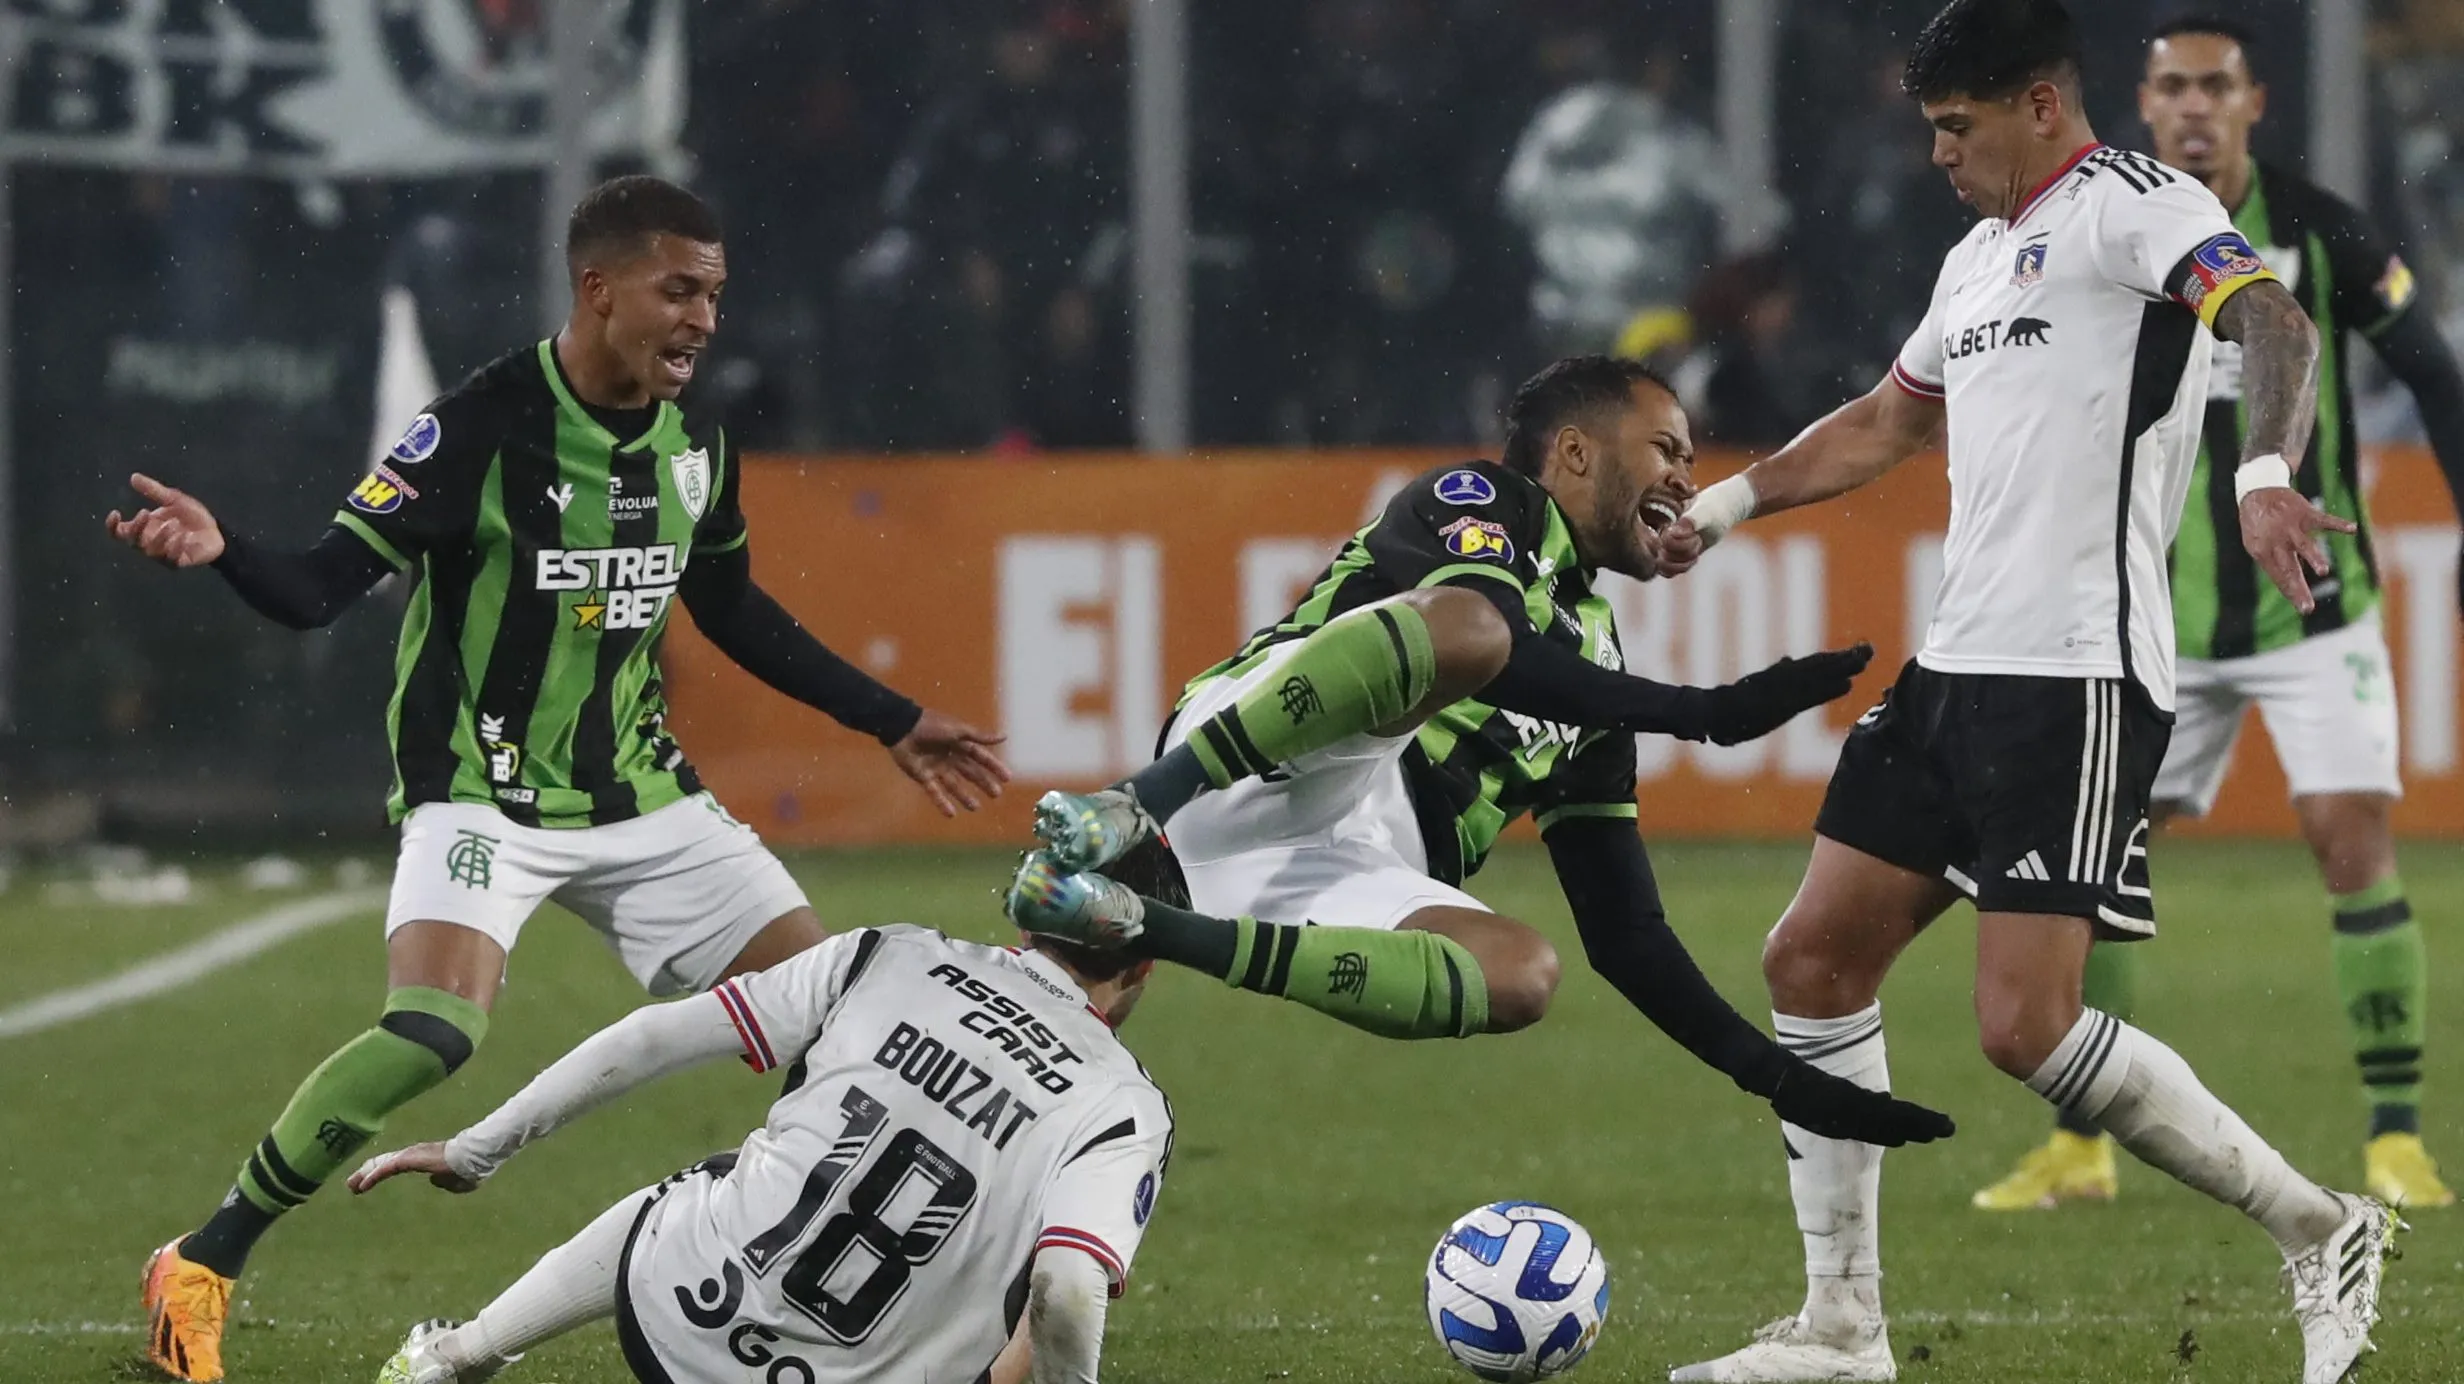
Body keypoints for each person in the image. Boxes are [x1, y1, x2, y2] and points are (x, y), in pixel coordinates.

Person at [104, 175, 1009, 1383]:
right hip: (480, 793)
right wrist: (225, 554)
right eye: (678, 290)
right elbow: (321, 585)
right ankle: (204, 1260)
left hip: (643, 797)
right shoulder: (478, 425)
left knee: (845, 1029)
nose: (703, 320)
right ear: (599, 287)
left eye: (716, 295)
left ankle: (817, 1294)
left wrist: (889, 718)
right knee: (432, 1030)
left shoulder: (696, 444)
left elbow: (730, 606)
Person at [1659, 3, 2398, 1380]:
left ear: (2042, 109)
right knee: (1811, 959)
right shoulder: (1977, 257)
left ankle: (2319, 1221)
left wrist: (2262, 473)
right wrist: (1728, 507)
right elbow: (1892, 417)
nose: (1939, 154)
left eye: (1957, 126)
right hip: (1958, 667)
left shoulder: (2135, 204)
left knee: (2024, 1028)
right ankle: (1840, 1326)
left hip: (2079, 676)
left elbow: (2274, 317)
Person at [1015, 355, 1954, 1151]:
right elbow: (1489, 644)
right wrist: (1700, 712)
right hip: (1255, 768)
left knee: (1523, 974)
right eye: (1667, 449)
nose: (1684, 479)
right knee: (1470, 629)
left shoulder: (1598, 671)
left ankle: (1144, 923)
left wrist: (1778, 1081)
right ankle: (1136, 802)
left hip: (1349, 863)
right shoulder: (1478, 500)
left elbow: (1626, 937)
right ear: (1577, 451)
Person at [1975, 10, 2464, 1216]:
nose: (2194, 108)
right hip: (2157, 618)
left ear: (2254, 106)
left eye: (2216, 88)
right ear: (2143, 108)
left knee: (2347, 835)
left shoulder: (2318, 231)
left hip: (2313, 606)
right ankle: (2080, 1145)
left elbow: (2434, 377)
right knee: (2093, 861)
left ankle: (2396, 1140)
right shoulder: (2104, 231)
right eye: (2173, 89)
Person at [347, 837, 1182, 1384]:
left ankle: (461, 1354)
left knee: (713, 1186)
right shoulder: (1124, 1107)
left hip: (686, 1332)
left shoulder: (884, 955)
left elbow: (649, 1041)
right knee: (1046, 1279)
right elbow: (1068, 1289)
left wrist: (476, 1149)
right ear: (1147, 966)